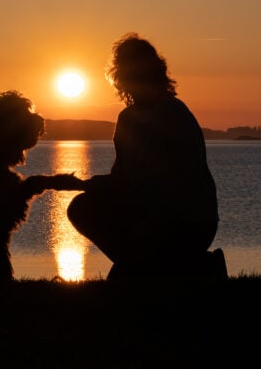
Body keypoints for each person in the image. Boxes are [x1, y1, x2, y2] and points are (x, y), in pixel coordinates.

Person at [66, 33, 225, 281]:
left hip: (178, 223)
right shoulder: (175, 111)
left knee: (81, 208)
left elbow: (135, 183)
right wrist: (88, 184)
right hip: (200, 223)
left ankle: (145, 266)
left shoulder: (152, 116)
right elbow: (129, 180)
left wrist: (87, 186)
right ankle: (181, 265)